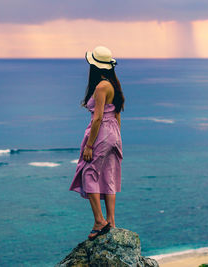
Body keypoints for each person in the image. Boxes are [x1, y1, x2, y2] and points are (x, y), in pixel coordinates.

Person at [69, 46, 125, 241]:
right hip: (113, 134)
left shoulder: (101, 86)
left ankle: (99, 221)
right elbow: (116, 114)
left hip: (101, 134)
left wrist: (90, 145)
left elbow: (98, 118)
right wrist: (117, 140)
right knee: (108, 175)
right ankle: (111, 221)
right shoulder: (114, 84)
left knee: (88, 173)